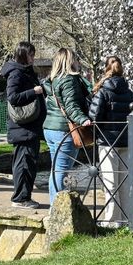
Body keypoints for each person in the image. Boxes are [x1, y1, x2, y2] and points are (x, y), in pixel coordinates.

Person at [89, 55, 133, 225]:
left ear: (106, 69)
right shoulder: (130, 93)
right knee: (124, 180)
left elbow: (94, 116)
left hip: (108, 141)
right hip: (126, 141)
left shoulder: (103, 92)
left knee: (110, 181)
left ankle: (111, 219)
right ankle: (125, 218)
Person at [42, 48, 92, 204]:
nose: (78, 62)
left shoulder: (52, 79)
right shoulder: (69, 80)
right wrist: (83, 119)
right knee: (61, 171)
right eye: (76, 59)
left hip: (50, 128)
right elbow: (71, 106)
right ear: (70, 61)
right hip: (64, 130)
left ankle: (54, 206)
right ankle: (57, 210)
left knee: (56, 170)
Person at [1, 42, 46, 209]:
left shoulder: (25, 72)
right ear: (23, 55)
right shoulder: (16, 73)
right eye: (31, 55)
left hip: (29, 127)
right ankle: (20, 198)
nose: (33, 58)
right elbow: (12, 97)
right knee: (24, 163)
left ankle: (24, 196)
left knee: (28, 163)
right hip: (23, 128)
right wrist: (33, 92)